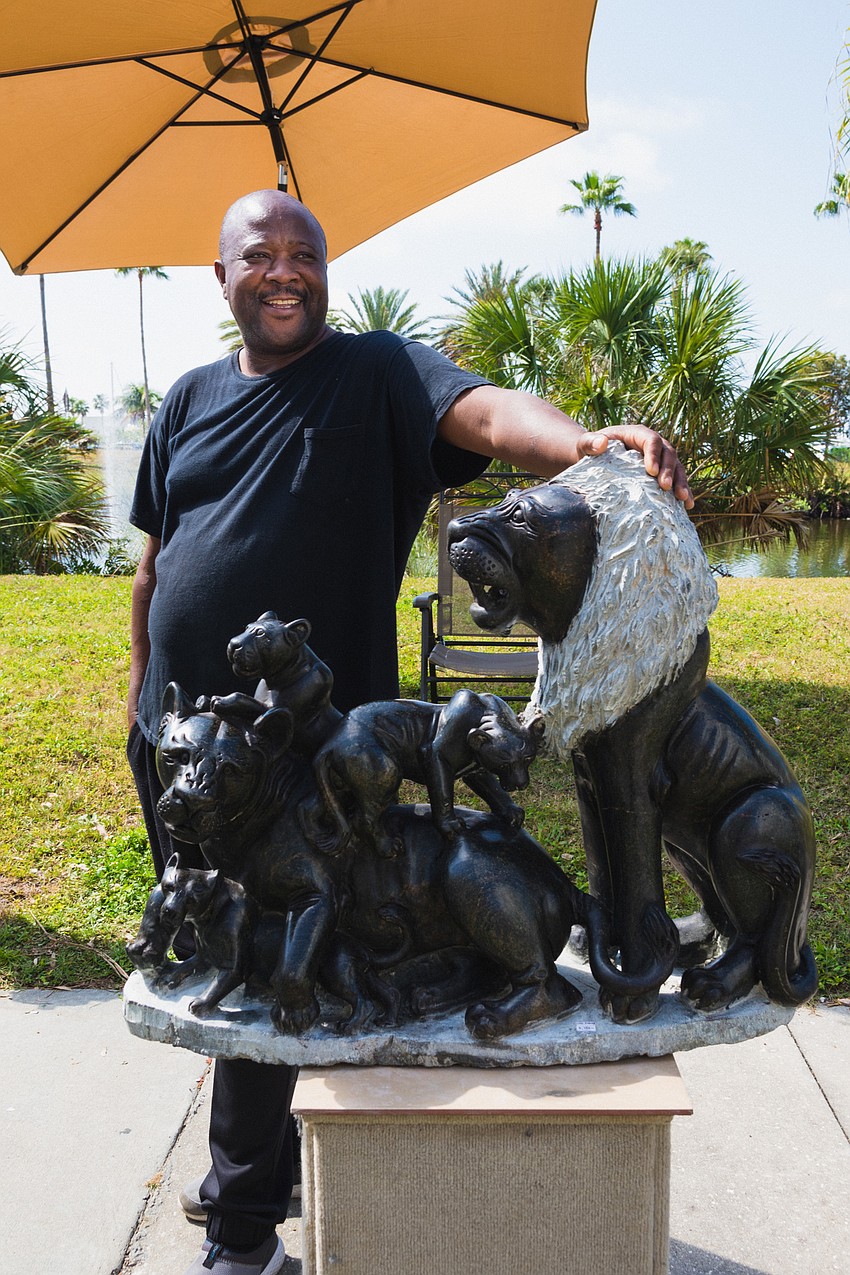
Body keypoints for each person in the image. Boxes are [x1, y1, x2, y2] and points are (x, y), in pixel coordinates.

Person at [127, 188, 693, 1275]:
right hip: (192, 746)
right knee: (235, 952)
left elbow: (483, 411)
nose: (284, 270)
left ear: (324, 271)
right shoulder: (188, 398)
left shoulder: (375, 372)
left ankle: (259, 1222)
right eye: (260, 254)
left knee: (300, 936)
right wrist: (142, 694)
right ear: (222, 276)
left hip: (314, 754)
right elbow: (156, 563)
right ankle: (258, 1185)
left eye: (304, 253)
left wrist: (579, 445)